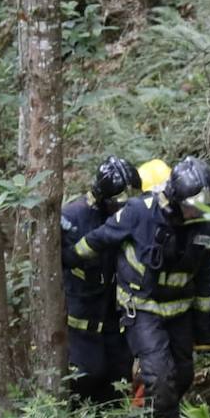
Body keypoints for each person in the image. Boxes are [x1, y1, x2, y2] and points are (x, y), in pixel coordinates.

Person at [65, 156, 210, 418]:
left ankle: (151, 416)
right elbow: (98, 239)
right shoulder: (139, 213)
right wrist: (70, 257)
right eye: (194, 206)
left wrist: (203, 322)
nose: (199, 212)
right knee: (159, 374)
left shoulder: (206, 229)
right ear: (176, 200)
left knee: (182, 373)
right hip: (142, 309)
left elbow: (204, 279)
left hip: (179, 311)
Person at [60, 156, 141, 404]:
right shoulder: (72, 219)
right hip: (81, 323)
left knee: (119, 382)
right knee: (87, 377)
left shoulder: (133, 217)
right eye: (119, 204)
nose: (124, 209)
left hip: (115, 321)